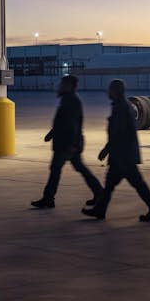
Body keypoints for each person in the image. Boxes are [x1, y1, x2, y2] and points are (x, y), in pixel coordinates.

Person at [82, 79, 150, 222]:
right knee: (112, 184)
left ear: (115, 91)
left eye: (110, 89)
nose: (108, 92)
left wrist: (107, 149)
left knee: (134, 184)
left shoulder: (121, 107)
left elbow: (119, 133)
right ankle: (100, 210)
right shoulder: (121, 105)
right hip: (122, 154)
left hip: (123, 156)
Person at [31, 75, 102, 209]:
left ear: (70, 86)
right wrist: (51, 134)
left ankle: (48, 198)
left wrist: (71, 145)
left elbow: (72, 125)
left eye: (63, 84)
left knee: (56, 169)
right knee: (78, 168)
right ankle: (99, 193)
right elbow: (62, 121)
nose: (60, 86)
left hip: (66, 144)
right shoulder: (68, 99)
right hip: (68, 143)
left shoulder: (71, 101)